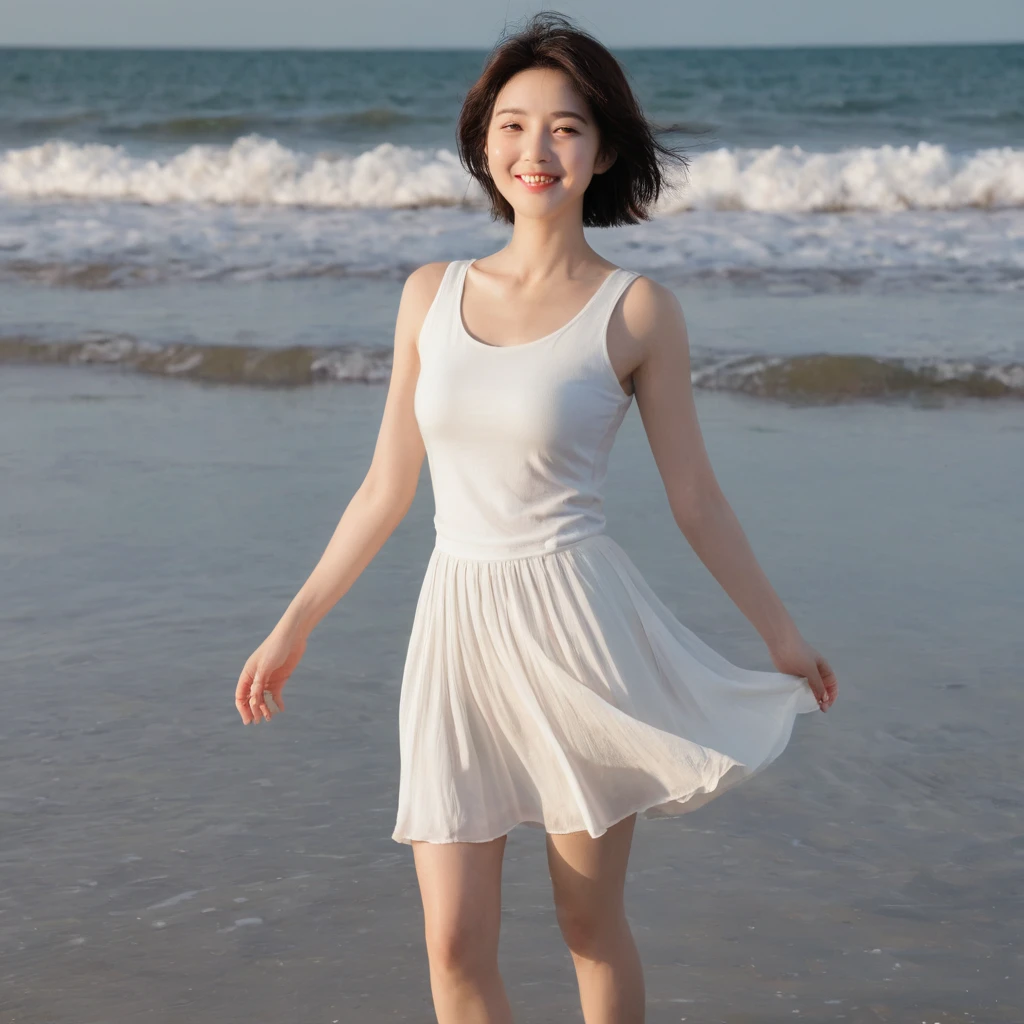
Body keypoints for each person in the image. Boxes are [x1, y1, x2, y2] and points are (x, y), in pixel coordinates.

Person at [234, 11, 838, 1023]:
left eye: (564, 127)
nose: (535, 148)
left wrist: (779, 632)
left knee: (585, 924)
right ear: (483, 141)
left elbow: (694, 495)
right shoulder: (428, 292)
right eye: (513, 125)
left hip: (574, 633)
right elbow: (386, 485)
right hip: (455, 629)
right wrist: (295, 622)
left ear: (602, 150)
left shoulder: (637, 310)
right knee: (453, 941)